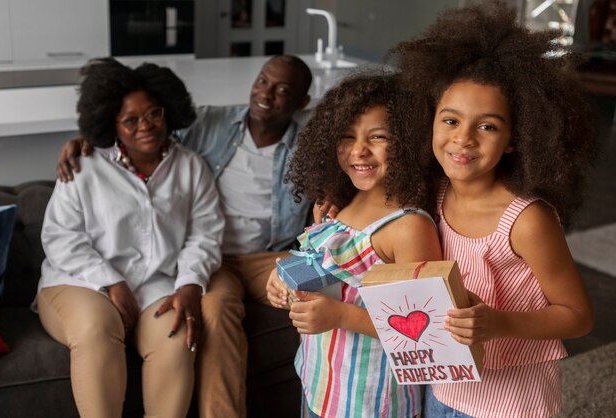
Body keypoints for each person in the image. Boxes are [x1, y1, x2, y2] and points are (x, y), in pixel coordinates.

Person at [55, 55, 313, 418]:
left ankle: (335, 401)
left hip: (266, 256)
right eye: (262, 82)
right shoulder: (209, 122)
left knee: (321, 282)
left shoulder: (310, 146)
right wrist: (87, 139)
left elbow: (340, 181)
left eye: (283, 90)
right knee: (216, 308)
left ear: (302, 102)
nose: (266, 95)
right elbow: (140, 132)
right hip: (213, 261)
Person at [390, 2, 596, 417]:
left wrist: (500, 323)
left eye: (487, 126)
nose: (463, 138)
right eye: (450, 121)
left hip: (512, 403)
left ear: (516, 139)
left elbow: (577, 317)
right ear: (430, 121)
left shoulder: (526, 221)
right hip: (444, 388)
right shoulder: (432, 192)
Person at [36, 57, 224, 418]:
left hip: (155, 284)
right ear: (111, 124)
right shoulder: (84, 165)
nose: (146, 126)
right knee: (96, 328)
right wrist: (111, 281)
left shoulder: (191, 167)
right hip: (79, 282)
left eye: (154, 114)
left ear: (168, 111)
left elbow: (205, 235)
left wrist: (190, 284)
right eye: (131, 120)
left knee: (176, 336)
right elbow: (61, 238)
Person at [266, 72, 442, 418]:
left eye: (378, 137)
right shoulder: (340, 202)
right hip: (320, 385)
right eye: (347, 137)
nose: (359, 150)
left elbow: (423, 333)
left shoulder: (408, 227)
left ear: (407, 142)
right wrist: (285, 274)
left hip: (370, 403)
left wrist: (340, 315)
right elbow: (326, 266)